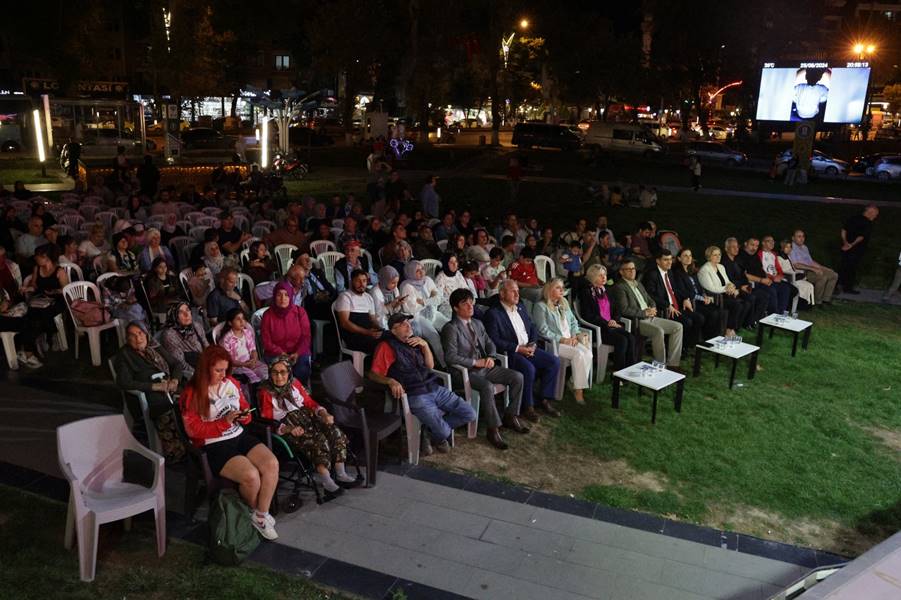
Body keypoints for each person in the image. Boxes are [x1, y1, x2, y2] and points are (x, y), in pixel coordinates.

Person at [179, 345, 280, 540]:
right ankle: (256, 513)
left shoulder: (231, 382)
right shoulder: (192, 393)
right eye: (218, 370)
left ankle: (260, 515)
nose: (222, 374)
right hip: (214, 443)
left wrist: (244, 417)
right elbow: (193, 430)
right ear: (205, 368)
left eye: (225, 370)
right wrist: (222, 423)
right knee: (251, 476)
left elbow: (245, 408)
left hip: (238, 434)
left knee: (271, 464)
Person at [370, 313, 476, 456]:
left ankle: (427, 431)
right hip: (415, 395)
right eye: (402, 324)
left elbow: (430, 366)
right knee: (444, 431)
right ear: (393, 330)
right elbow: (372, 374)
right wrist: (390, 381)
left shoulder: (415, 342)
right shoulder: (386, 346)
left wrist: (425, 345)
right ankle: (435, 433)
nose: (408, 325)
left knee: (470, 413)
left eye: (408, 322)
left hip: (434, 387)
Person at [441, 288, 527, 449]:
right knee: (487, 386)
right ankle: (493, 429)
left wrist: (492, 357)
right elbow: (450, 357)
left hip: (485, 368)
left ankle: (510, 415)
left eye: (470, 302)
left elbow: (490, 343)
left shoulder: (477, 323)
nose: (470, 306)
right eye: (464, 303)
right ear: (455, 308)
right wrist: (475, 362)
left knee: (518, 377)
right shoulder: (451, 328)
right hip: (463, 372)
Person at [259, 356, 357, 494]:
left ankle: (340, 473)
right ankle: (326, 480)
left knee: (334, 431)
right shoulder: (266, 391)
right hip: (289, 424)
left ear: (289, 372)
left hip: (308, 417)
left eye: (283, 372)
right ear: (270, 373)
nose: (279, 376)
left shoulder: (295, 383)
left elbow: (309, 403)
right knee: (319, 441)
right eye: (275, 372)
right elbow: (267, 419)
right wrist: (289, 428)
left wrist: (323, 413)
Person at [484, 279, 561, 421]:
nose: (517, 294)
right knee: (529, 369)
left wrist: (532, 344)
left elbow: (532, 327)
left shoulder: (521, 307)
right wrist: (518, 349)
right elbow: (494, 340)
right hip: (512, 352)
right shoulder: (494, 314)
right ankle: (528, 406)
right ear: (502, 294)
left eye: (518, 291)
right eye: (513, 291)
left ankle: (544, 399)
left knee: (554, 362)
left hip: (529, 348)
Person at [113, 321, 185, 461]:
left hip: (168, 385)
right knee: (164, 407)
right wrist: (154, 387)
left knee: (190, 399)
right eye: (132, 335)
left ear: (146, 334)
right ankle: (176, 451)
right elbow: (124, 382)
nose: (138, 338)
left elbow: (176, 364)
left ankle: (193, 440)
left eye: (140, 333)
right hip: (147, 394)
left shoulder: (155, 346)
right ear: (127, 339)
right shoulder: (125, 356)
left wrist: (175, 380)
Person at [610, 260, 684, 368]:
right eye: (628, 269)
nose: (632, 271)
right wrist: (644, 313)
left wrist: (653, 308)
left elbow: (650, 299)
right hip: (638, 321)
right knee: (659, 331)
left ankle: (673, 364)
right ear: (621, 272)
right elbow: (624, 309)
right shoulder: (619, 287)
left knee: (678, 327)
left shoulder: (638, 283)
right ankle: (660, 365)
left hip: (651, 317)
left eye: (633, 268)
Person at [532, 278, 593, 403]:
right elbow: (543, 331)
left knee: (588, 352)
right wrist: (562, 339)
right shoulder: (540, 306)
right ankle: (578, 391)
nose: (562, 290)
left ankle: (573, 382)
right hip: (554, 344)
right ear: (549, 290)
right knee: (579, 354)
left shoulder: (563, 302)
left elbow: (573, 321)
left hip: (570, 340)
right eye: (558, 287)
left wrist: (575, 334)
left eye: (562, 287)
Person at [577, 264, 636, 371]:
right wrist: (606, 323)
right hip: (598, 329)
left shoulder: (607, 290)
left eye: (605, 275)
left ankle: (630, 370)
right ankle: (619, 373)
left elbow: (617, 309)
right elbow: (588, 316)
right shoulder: (586, 292)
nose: (604, 277)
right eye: (600, 275)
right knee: (622, 340)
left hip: (612, 326)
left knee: (630, 337)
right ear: (593, 277)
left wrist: (614, 320)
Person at [642, 250, 704, 349]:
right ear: (658, 261)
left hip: (677, 306)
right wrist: (667, 305)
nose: (669, 262)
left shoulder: (670, 272)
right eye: (666, 260)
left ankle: (689, 345)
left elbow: (676, 290)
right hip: (664, 309)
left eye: (671, 259)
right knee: (687, 322)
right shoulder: (652, 274)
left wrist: (685, 298)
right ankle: (679, 348)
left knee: (699, 318)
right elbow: (650, 295)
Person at [261, 282, 312, 384]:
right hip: (275, 353)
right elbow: (266, 342)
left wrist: (297, 353)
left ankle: (299, 393)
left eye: (286, 295)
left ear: (291, 296)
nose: (283, 298)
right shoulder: (268, 315)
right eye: (279, 295)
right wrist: (282, 353)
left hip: (298, 352)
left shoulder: (300, 312)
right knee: (280, 372)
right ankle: (281, 396)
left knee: (301, 368)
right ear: (274, 297)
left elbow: (306, 337)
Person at [399, 260, 448, 366]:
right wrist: (431, 298)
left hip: (433, 312)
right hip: (419, 317)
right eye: (417, 271)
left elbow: (439, 299)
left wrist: (424, 301)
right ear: (410, 272)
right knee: (434, 336)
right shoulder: (407, 286)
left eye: (422, 269)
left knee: (449, 327)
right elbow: (411, 309)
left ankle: (456, 358)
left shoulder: (428, 280)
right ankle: (445, 365)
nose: (421, 272)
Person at [671, 248, 724, 340]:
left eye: (690, 255)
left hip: (699, 300)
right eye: (685, 256)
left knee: (717, 310)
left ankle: (714, 339)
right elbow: (682, 291)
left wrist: (704, 296)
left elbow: (699, 288)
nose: (688, 258)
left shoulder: (692, 272)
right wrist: (702, 298)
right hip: (691, 302)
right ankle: (707, 339)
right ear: (679, 258)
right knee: (711, 313)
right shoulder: (677, 273)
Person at [697, 246, 750, 337]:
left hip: (725, 294)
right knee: (736, 304)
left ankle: (731, 328)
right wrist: (726, 289)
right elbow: (711, 288)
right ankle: (729, 330)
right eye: (715, 255)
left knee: (743, 303)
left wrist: (731, 286)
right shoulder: (704, 270)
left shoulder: (721, 267)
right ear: (709, 256)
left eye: (719, 254)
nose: (718, 257)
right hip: (714, 298)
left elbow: (727, 281)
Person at [738, 237, 792, 315]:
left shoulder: (755, 256)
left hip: (764, 280)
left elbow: (761, 270)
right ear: (746, 244)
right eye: (752, 245)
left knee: (785, 288)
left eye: (756, 246)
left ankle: (781, 314)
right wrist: (762, 280)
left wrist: (768, 278)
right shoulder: (741, 256)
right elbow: (744, 274)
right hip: (754, 283)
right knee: (771, 290)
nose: (754, 248)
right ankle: (774, 314)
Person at [335, 269, 384, 353]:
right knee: (381, 345)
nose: (362, 284)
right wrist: (367, 332)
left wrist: (380, 329)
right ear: (351, 282)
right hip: (354, 336)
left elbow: (372, 319)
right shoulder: (345, 297)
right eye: (358, 281)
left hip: (368, 333)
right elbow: (345, 323)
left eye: (364, 281)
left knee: (391, 338)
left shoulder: (368, 297)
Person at [722, 237, 768, 327]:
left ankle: (754, 320)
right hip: (731, 289)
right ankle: (746, 324)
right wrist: (741, 286)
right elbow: (729, 280)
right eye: (733, 247)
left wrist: (745, 284)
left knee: (764, 295)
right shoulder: (724, 263)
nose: (736, 249)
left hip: (743, 286)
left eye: (737, 247)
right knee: (750, 298)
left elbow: (744, 276)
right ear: (726, 249)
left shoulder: (737, 261)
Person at [159, 301, 208, 379]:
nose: (187, 314)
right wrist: (200, 374)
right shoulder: (169, 335)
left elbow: (207, 348)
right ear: (174, 316)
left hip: (205, 365)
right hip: (190, 374)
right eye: (181, 312)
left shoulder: (196, 326)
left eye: (187, 310)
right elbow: (181, 364)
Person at [221, 307, 268, 384]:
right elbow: (229, 360)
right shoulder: (226, 339)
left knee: (267, 373)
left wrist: (254, 359)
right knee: (253, 379)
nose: (242, 321)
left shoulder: (247, 332)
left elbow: (253, 350)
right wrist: (244, 364)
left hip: (251, 362)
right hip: (237, 367)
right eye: (238, 319)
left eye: (243, 318)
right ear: (230, 323)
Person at [789, 229, 838, 305]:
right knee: (822, 277)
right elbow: (796, 265)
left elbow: (810, 261)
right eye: (799, 236)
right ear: (793, 238)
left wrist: (822, 268)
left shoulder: (804, 247)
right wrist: (814, 269)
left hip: (810, 269)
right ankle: (817, 301)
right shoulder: (791, 248)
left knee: (834, 275)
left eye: (803, 236)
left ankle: (826, 299)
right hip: (802, 272)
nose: (802, 238)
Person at [838, 205, 878, 294]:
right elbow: (861, 237)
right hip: (856, 249)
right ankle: (847, 287)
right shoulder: (867, 223)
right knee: (852, 269)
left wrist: (845, 242)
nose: (875, 217)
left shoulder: (853, 218)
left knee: (842, 266)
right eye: (875, 214)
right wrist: (851, 245)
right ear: (870, 213)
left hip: (845, 247)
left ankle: (838, 285)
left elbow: (844, 230)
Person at [777, 240, 815, 308]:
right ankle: (799, 304)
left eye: (790, 247)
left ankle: (806, 302)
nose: (789, 249)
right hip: (787, 278)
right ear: (782, 248)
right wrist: (795, 275)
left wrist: (800, 272)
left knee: (808, 285)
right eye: (787, 247)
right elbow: (782, 271)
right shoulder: (779, 258)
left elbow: (793, 268)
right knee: (802, 285)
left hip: (793, 276)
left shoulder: (788, 257)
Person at [434, 253, 468, 319]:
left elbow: (466, 288)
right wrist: (457, 302)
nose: (455, 265)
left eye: (455, 261)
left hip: (462, 302)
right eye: (451, 262)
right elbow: (438, 298)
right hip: (448, 305)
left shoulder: (458, 274)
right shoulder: (440, 277)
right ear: (446, 264)